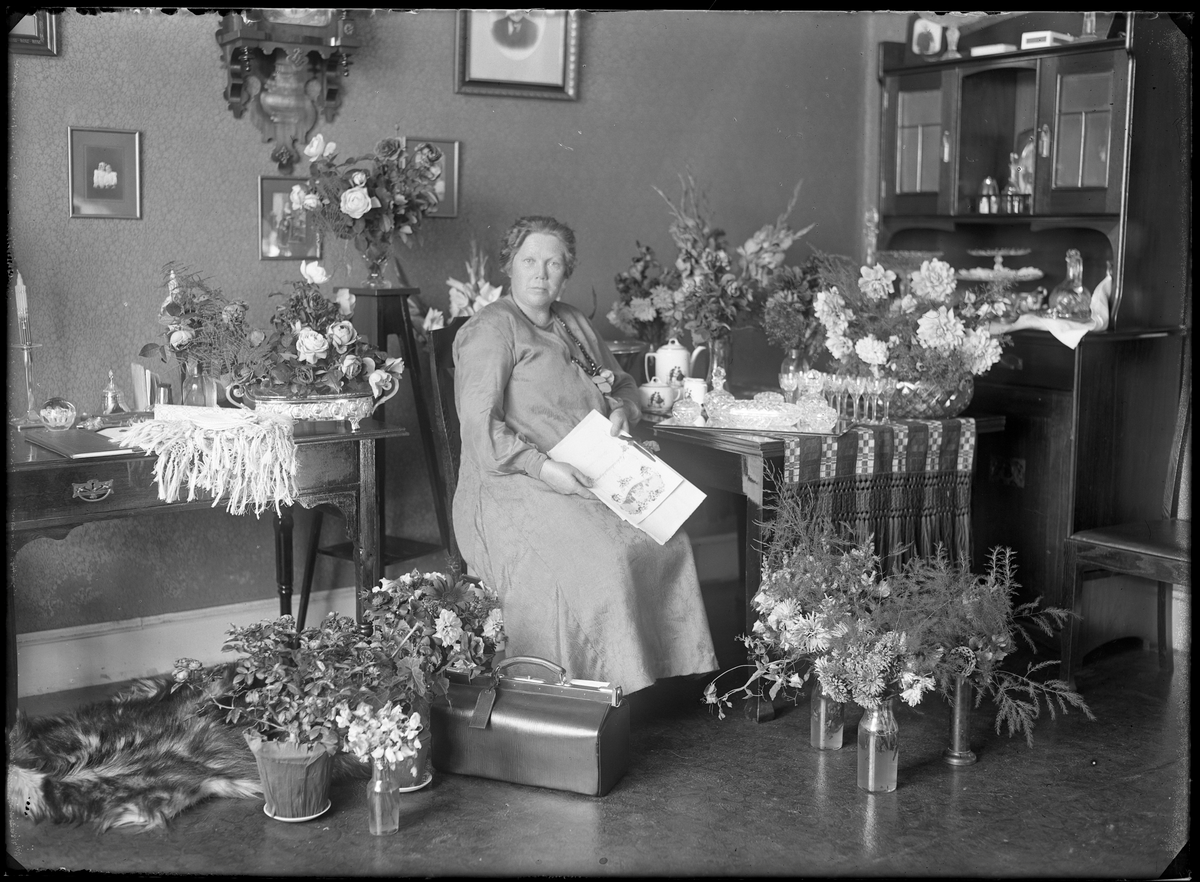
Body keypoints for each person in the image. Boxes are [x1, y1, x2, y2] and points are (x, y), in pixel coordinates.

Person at [452, 216, 718, 695]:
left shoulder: (571, 321)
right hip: (513, 482)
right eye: (529, 261)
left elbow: (625, 384)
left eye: (553, 264)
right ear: (508, 266)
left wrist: (623, 410)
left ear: (566, 273)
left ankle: (656, 680)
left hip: (591, 469)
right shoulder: (490, 331)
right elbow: (479, 429)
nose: (540, 274)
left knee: (669, 538)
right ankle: (597, 693)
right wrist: (542, 467)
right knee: (607, 557)